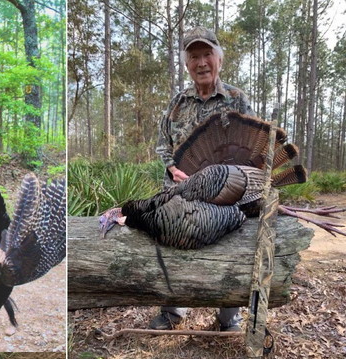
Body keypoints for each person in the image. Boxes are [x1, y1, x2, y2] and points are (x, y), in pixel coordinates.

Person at [152, 27, 255, 332]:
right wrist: (173, 169)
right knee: (172, 238)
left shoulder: (237, 100)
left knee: (234, 243)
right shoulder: (177, 104)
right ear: (186, 64)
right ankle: (173, 311)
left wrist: (227, 177)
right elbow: (162, 144)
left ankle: (228, 316)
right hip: (181, 191)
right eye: (193, 56)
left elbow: (252, 150)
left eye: (206, 54)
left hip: (227, 190)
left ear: (218, 59)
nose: (201, 63)